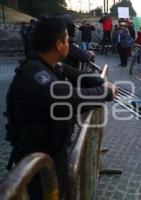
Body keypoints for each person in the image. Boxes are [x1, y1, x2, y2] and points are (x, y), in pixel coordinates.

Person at [4, 17, 117, 199]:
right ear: (58, 44)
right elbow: (73, 98)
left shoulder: (50, 65)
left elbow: (78, 74)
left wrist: (102, 82)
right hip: (39, 163)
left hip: (54, 151)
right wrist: (105, 92)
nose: (68, 44)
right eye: (66, 41)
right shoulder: (37, 77)